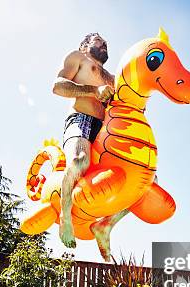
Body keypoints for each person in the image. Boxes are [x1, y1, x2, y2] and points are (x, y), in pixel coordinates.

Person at [52, 33, 115, 248]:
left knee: (143, 178)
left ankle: (105, 225)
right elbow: (58, 86)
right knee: (80, 161)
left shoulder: (113, 77)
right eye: (99, 41)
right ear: (85, 45)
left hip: (106, 132)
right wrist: (93, 91)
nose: (104, 45)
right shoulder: (78, 57)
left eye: (106, 43)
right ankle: (65, 218)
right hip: (81, 119)